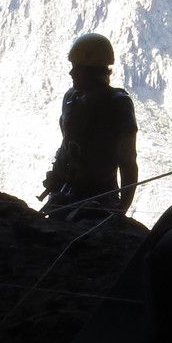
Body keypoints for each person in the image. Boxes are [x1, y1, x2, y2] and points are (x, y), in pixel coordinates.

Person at [40, 33, 138, 217]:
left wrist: (121, 209)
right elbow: (68, 144)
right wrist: (57, 173)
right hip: (65, 190)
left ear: (95, 72)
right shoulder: (71, 98)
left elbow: (128, 163)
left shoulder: (118, 105)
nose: (71, 73)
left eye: (78, 68)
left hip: (99, 198)